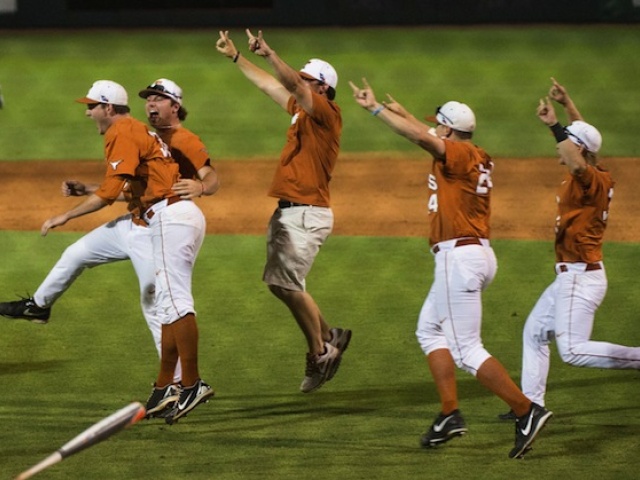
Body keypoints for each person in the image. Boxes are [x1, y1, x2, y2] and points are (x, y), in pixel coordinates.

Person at [349, 78, 552, 459]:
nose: (433, 130)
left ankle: (527, 411)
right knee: (429, 330)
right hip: (473, 254)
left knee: (466, 348)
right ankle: (449, 413)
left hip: (457, 258)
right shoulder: (475, 153)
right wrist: (400, 111)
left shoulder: (454, 154)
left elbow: (425, 140)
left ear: (448, 130)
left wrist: (375, 110)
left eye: (438, 125)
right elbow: (427, 133)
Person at [0, 78, 219, 419]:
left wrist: (65, 215)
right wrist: (86, 188)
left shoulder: (128, 132)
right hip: (152, 216)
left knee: (170, 303)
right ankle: (166, 386)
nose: (87, 112)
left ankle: (189, 384)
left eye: (92, 106)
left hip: (168, 217)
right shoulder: (138, 133)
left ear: (108, 108)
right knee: (161, 301)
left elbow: (109, 194)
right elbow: (127, 187)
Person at [215, 29, 351, 393]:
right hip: (292, 212)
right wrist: (236, 58)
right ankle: (329, 334)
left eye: (307, 81)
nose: (299, 84)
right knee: (282, 286)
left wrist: (270, 54)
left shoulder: (326, 113)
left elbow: (288, 81)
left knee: (283, 283)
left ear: (323, 88)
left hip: (307, 214)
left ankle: (321, 352)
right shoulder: (301, 113)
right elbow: (271, 86)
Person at [498, 79, 640, 420]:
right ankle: (531, 408)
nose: (557, 149)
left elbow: (577, 160)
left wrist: (553, 125)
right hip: (570, 276)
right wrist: (567, 105)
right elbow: (584, 141)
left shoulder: (588, 178)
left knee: (573, 350)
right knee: (533, 332)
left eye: (564, 143)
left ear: (577, 149)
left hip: (581, 276)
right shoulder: (595, 170)